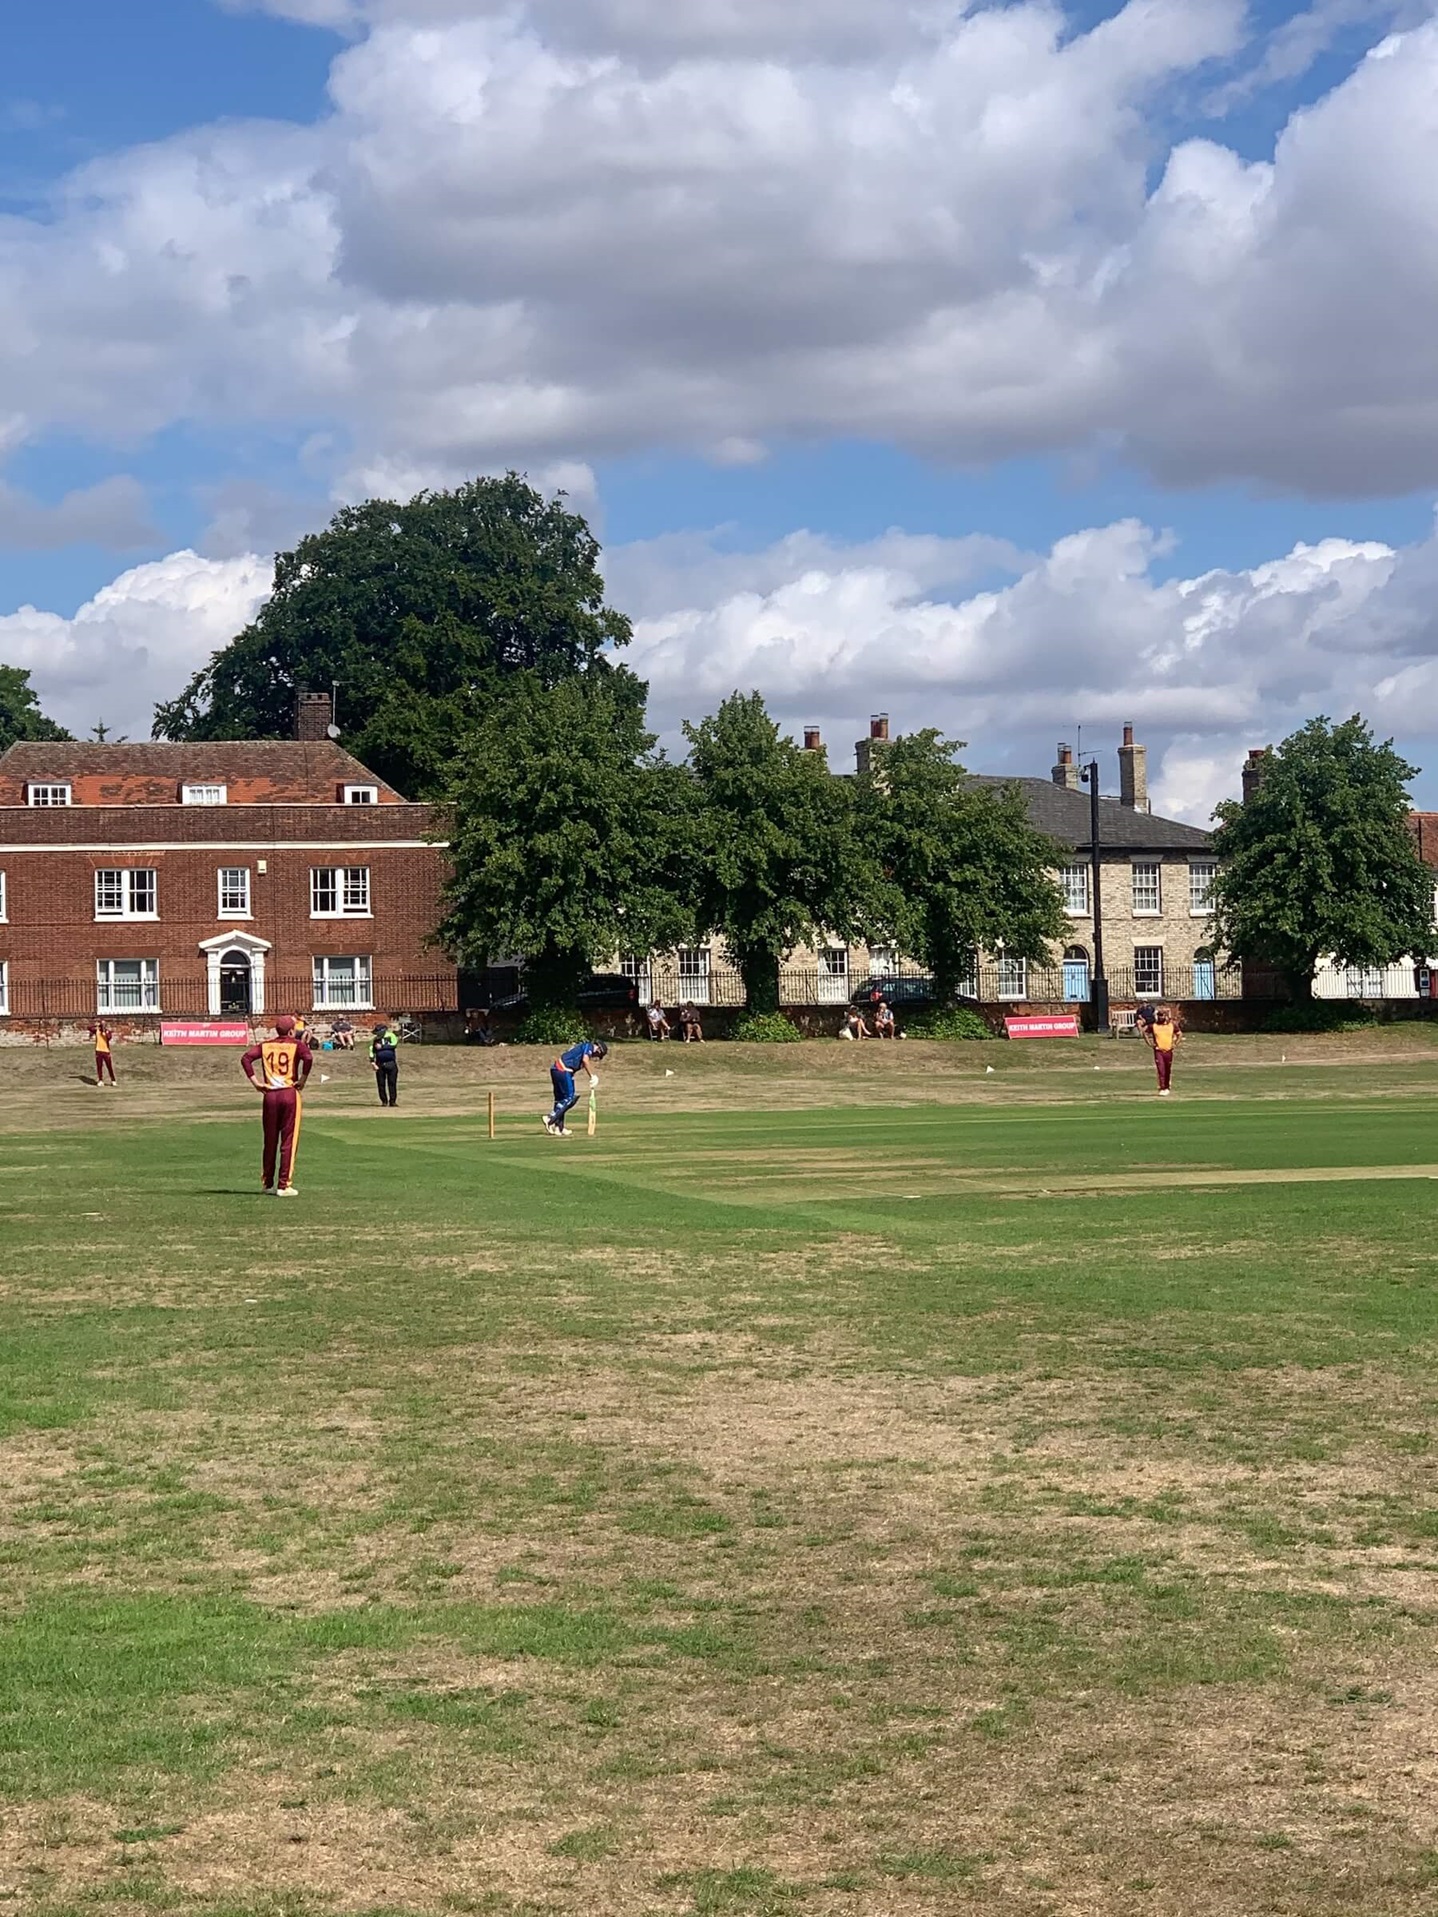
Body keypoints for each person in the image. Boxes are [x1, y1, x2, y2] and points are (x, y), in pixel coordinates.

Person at [241, 1014, 313, 1195]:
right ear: (291, 1030)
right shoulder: (296, 1045)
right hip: (289, 1092)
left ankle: (267, 1183)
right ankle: (284, 1185)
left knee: (270, 1140)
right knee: (288, 1140)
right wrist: (303, 1079)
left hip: (270, 1094)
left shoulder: (265, 1045)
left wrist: (256, 1082)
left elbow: (246, 1059)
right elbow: (308, 1058)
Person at [544, 1037, 607, 1136]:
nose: (596, 1057)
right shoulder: (588, 1046)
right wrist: (592, 1076)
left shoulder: (582, 1048)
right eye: (598, 1054)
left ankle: (558, 1127)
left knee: (561, 1100)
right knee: (570, 1098)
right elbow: (585, 1060)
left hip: (557, 1069)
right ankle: (550, 1118)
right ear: (598, 1049)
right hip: (563, 1070)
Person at [1147, 1004, 1181, 1095]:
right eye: (1159, 1015)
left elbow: (1179, 1034)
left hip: (1169, 1050)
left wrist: (1175, 1044)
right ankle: (1162, 1087)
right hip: (1159, 1050)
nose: (1160, 1017)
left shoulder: (1171, 1025)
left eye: (1162, 1015)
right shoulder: (1154, 1026)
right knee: (1161, 1069)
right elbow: (1145, 1032)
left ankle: (1167, 1086)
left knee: (1167, 1069)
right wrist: (1150, 1043)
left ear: (1165, 1016)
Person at [369, 1022, 400, 1107]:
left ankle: (392, 1101)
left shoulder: (391, 1036)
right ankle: (384, 1101)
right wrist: (372, 1062)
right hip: (380, 1063)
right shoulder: (376, 1039)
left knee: (392, 1083)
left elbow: (394, 1045)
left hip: (391, 1062)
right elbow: (372, 1050)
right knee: (381, 1084)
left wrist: (382, 1047)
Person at [88, 1021, 116, 1085]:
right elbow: (89, 1028)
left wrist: (105, 1032)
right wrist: (95, 1024)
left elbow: (109, 1037)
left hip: (106, 1051)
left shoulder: (107, 1031)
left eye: (104, 1025)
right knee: (99, 1067)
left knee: (109, 1067)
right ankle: (100, 1080)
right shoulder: (97, 1031)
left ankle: (113, 1080)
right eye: (102, 1025)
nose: (103, 1026)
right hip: (98, 1051)